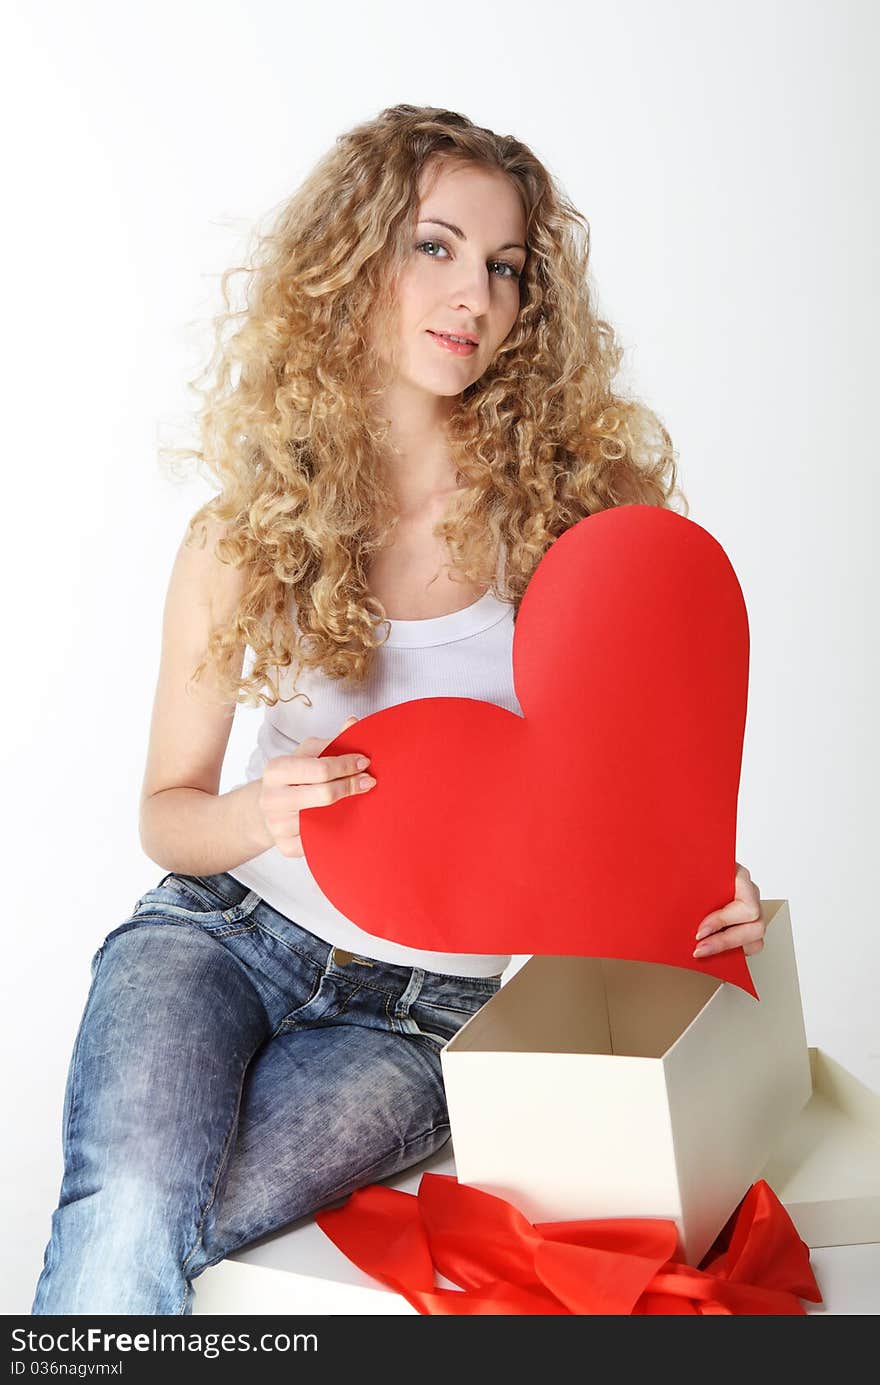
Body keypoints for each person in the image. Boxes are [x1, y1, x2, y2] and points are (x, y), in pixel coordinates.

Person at [31, 104, 765, 1316]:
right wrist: (262, 815)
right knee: (134, 1199)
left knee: (152, 1212)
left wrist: (702, 886)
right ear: (355, 259)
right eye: (434, 246)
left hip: (420, 1016)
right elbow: (166, 815)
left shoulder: (575, 530)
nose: (470, 292)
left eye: (503, 267)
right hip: (218, 934)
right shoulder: (243, 532)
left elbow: (631, 802)